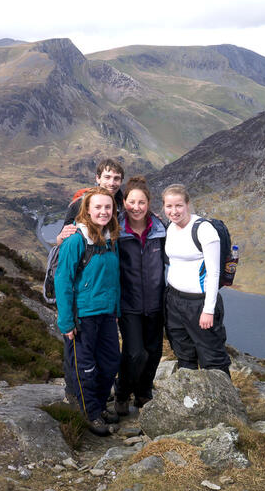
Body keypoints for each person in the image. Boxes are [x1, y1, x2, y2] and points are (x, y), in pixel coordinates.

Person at [55, 186, 122, 435]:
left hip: (106, 314)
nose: (103, 211)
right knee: (85, 368)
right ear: (87, 210)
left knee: (110, 362)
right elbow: (63, 282)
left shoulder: (110, 239)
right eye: (98, 207)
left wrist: (115, 309)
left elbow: (114, 278)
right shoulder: (75, 241)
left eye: (108, 207)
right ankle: (91, 414)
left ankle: (100, 405)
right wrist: (66, 322)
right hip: (82, 316)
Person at [162, 184, 231, 375]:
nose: (174, 211)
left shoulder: (204, 230)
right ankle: (189, 400)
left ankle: (224, 402)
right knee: (184, 354)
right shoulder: (170, 228)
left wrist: (208, 310)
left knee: (212, 358)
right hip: (174, 301)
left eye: (178, 206)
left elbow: (214, 272)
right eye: (169, 206)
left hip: (199, 303)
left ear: (188, 204)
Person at [113, 176, 166, 416]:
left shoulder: (160, 230)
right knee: (135, 352)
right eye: (131, 202)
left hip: (156, 303)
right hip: (128, 303)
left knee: (154, 352)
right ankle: (122, 392)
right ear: (124, 202)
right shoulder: (116, 231)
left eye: (141, 202)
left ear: (149, 203)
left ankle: (144, 393)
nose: (136, 207)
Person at [55, 158, 124, 245]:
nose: (111, 183)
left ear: (121, 181)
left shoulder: (125, 206)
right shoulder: (80, 204)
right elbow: (61, 240)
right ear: (98, 178)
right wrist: (61, 237)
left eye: (116, 178)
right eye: (107, 177)